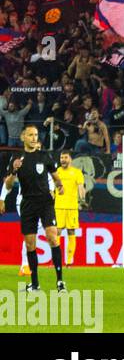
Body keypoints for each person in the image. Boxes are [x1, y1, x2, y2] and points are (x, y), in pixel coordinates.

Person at [3, 125, 66, 292]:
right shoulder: (16, 158)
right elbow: (8, 185)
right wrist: (13, 172)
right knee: (30, 244)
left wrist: (59, 185)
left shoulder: (44, 155)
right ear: (23, 137)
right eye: (30, 135)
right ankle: (35, 284)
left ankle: (60, 282)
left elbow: (55, 175)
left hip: (45, 202)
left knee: (53, 237)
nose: (34, 138)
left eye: (36, 135)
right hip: (28, 204)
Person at [54, 151, 86, 266]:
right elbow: (52, 188)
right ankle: (57, 262)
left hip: (72, 207)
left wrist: (83, 199)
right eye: (61, 157)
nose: (63, 159)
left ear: (70, 159)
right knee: (57, 232)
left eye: (65, 157)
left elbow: (81, 187)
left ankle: (69, 261)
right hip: (58, 207)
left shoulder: (77, 172)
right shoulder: (57, 171)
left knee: (71, 231)